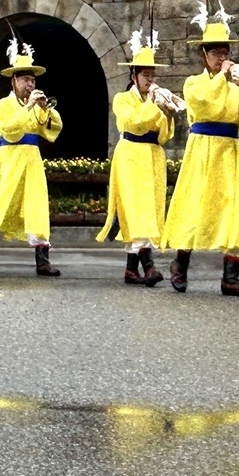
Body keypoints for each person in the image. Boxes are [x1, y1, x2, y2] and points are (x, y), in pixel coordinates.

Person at [162, 2, 239, 297]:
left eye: (225, 52)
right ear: (204, 55)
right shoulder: (193, 82)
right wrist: (222, 77)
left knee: (233, 210)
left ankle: (231, 275)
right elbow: (201, 103)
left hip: (229, 150)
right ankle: (180, 265)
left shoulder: (234, 85)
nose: (222, 58)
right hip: (203, 150)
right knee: (193, 207)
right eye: (216, 53)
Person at [97, 29, 176, 286]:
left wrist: (169, 112)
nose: (149, 79)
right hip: (131, 155)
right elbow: (134, 123)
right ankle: (149, 266)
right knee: (136, 207)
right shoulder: (122, 99)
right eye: (145, 74)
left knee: (150, 207)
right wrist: (154, 105)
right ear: (133, 76)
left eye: (152, 74)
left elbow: (163, 134)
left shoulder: (155, 98)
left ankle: (131, 270)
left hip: (153, 156)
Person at [0, 38, 63, 277]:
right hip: (11, 157)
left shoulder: (37, 104)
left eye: (33, 79)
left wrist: (45, 108)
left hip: (32, 158)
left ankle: (42, 260)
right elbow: (8, 129)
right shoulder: (4, 104)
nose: (30, 83)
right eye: (25, 79)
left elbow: (52, 129)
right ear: (14, 81)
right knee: (0, 203)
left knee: (36, 205)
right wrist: (27, 108)